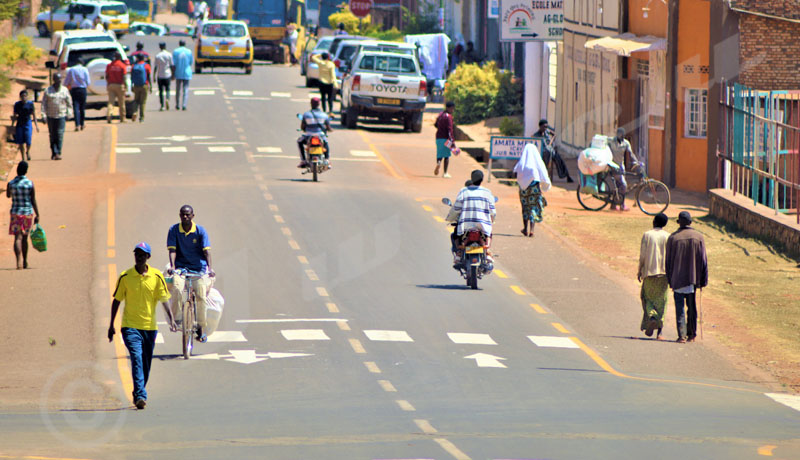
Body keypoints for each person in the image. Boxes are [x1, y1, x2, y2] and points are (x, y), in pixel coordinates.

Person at [108, 242, 173, 410]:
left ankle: (138, 390)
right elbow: (116, 301)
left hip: (150, 328)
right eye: (137, 254)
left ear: (148, 257)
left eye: (143, 254)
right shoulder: (126, 277)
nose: (139, 257)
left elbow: (164, 298)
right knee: (136, 358)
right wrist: (111, 325)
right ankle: (140, 396)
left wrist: (171, 318)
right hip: (130, 326)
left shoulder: (156, 276)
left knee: (145, 364)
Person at [166, 205, 215, 342]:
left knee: (200, 296)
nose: (185, 217)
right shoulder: (174, 230)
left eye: (188, 215)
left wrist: (209, 268)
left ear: (193, 216)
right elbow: (172, 250)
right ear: (179, 215)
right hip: (181, 268)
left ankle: (201, 327)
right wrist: (173, 266)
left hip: (198, 268)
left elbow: (206, 251)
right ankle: (177, 319)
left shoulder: (200, 231)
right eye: (182, 215)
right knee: (176, 288)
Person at [665, 211, 708, 343]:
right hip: (692, 279)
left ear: (679, 222)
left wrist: (670, 279)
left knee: (680, 308)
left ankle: (682, 335)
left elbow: (668, 262)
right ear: (690, 222)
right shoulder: (699, 237)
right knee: (692, 308)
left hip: (677, 279)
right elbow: (703, 261)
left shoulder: (673, 238)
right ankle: (692, 334)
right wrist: (703, 280)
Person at [446, 170, 496, 264]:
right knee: (489, 233)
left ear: (472, 179)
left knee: (456, 234)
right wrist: (492, 219)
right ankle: (488, 252)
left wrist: (449, 218)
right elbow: (493, 211)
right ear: (482, 180)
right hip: (482, 225)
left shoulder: (464, 191)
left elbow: (456, 208)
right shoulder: (487, 192)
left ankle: (459, 253)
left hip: (466, 226)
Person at [638, 213, 670, 339]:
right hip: (664, 274)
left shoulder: (647, 235)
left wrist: (640, 270)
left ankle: (651, 317)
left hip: (649, 273)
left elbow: (643, 255)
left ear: (654, 221)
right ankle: (660, 332)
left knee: (647, 298)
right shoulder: (668, 236)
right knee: (662, 302)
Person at [5, 161, 39, 270]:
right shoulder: (30, 183)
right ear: (26, 171)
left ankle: (18, 261)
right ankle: (25, 261)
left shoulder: (11, 183)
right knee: (25, 238)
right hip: (27, 213)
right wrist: (38, 214)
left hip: (15, 213)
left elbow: (8, 195)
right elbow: (33, 200)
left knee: (17, 238)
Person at [513, 142, 550, 237]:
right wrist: (545, 185)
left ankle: (525, 229)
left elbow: (515, 172)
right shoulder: (536, 162)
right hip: (534, 189)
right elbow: (543, 172)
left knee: (525, 207)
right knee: (533, 207)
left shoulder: (522, 162)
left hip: (523, 189)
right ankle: (532, 230)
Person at [41, 73, 73, 160]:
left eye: (59, 80)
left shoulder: (64, 90)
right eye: (56, 79)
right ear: (53, 80)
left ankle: (58, 152)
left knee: (59, 134)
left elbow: (69, 103)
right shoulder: (48, 90)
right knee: (52, 135)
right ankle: (53, 152)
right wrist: (43, 115)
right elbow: (43, 103)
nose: (58, 81)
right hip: (51, 116)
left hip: (61, 115)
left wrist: (69, 113)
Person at [607, 127, 639, 211]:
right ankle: (621, 204)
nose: (621, 136)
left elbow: (630, 154)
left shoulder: (626, 143)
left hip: (621, 167)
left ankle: (614, 205)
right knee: (623, 185)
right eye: (619, 134)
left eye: (622, 135)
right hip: (612, 166)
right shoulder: (610, 141)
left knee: (618, 186)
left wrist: (636, 162)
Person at [297, 97, 332, 168]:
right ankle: (327, 159)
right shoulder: (324, 115)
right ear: (319, 104)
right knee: (326, 142)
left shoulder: (306, 115)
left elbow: (302, 127)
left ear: (311, 104)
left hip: (308, 136)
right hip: (320, 136)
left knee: (299, 142)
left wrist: (305, 129)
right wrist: (330, 129)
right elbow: (328, 127)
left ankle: (303, 160)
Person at [63, 57, 91, 131]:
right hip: (82, 89)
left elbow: (66, 82)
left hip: (74, 90)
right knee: (82, 108)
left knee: (75, 107)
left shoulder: (71, 70)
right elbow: (88, 82)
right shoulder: (85, 69)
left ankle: (77, 125)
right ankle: (82, 124)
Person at [12, 90, 38, 161]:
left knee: (28, 140)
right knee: (20, 142)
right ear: (20, 97)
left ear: (27, 97)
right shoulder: (17, 104)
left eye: (25, 96)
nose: (24, 98)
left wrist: (36, 125)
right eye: (22, 96)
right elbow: (14, 115)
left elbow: (34, 115)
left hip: (27, 122)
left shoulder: (30, 104)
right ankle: (23, 157)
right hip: (20, 123)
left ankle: (28, 151)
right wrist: (12, 125)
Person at [434, 101, 456, 178]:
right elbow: (450, 130)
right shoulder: (449, 117)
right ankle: (445, 172)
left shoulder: (440, 115)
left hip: (438, 138)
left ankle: (439, 163)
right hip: (446, 139)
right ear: (449, 108)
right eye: (452, 109)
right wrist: (452, 141)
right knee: (446, 156)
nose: (452, 110)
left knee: (439, 153)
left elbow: (435, 124)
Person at [105, 51, 127, 123]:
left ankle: (109, 114)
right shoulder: (122, 65)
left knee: (111, 102)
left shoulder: (110, 65)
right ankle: (122, 118)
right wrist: (125, 85)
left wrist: (108, 83)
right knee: (121, 103)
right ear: (120, 57)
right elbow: (124, 77)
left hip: (111, 85)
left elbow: (106, 76)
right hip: (120, 85)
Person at [173, 40, 193, 111]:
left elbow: (174, 64)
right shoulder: (189, 51)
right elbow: (190, 62)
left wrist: (173, 74)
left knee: (178, 90)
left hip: (178, 72)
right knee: (185, 90)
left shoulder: (176, 51)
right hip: (187, 73)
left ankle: (177, 105)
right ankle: (184, 105)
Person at [130, 54, 151, 123]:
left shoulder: (133, 66)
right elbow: (148, 76)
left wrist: (131, 86)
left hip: (136, 85)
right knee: (143, 102)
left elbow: (131, 77)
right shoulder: (146, 66)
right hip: (144, 85)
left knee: (136, 100)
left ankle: (135, 112)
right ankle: (141, 118)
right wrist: (150, 86)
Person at [153, 42, 173, 111]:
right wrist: (173, 75)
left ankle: (162, 106)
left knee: (160, 91)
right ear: (165, 46)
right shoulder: (169, 54)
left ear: (160, 47)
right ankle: (167, 98)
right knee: (167, 89)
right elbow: (171, 65)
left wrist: (154, 76)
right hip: (167, 74)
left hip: (160, 75)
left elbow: (155, 67)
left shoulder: (158, 55)